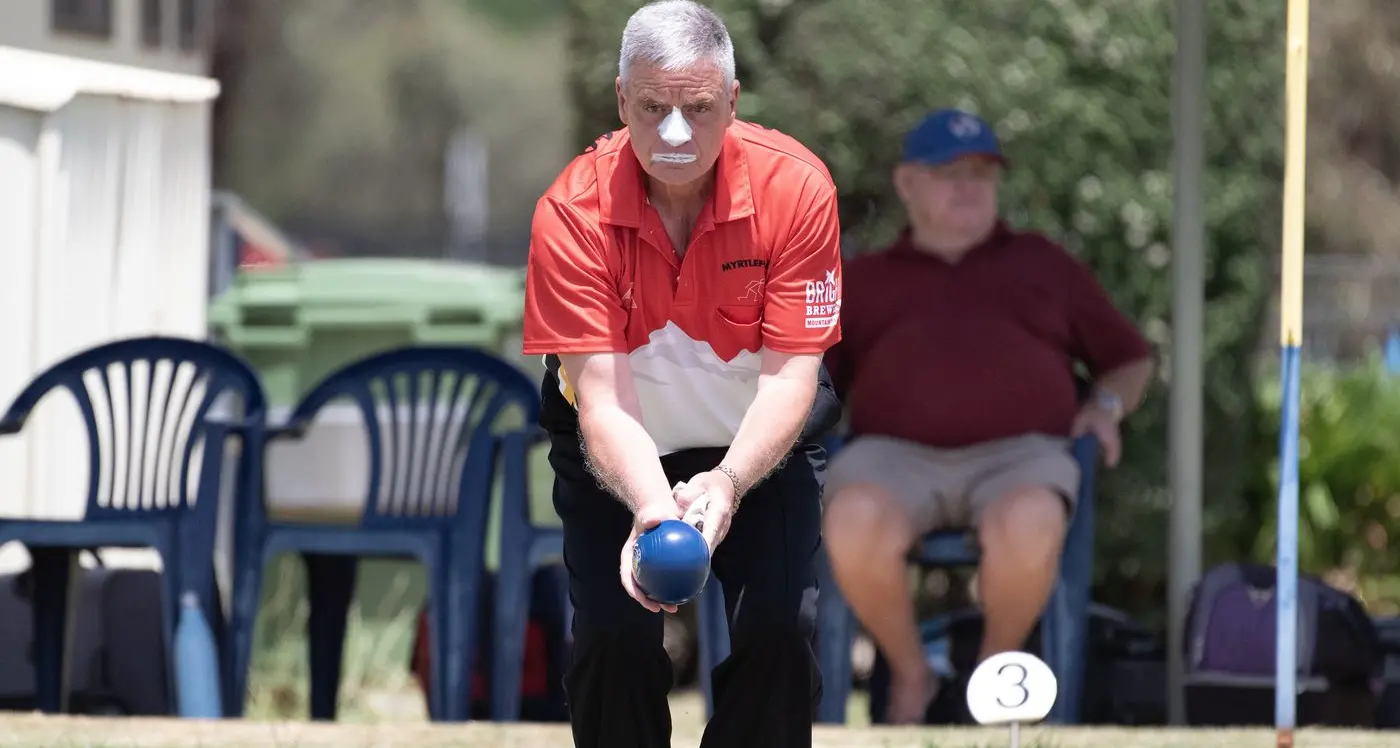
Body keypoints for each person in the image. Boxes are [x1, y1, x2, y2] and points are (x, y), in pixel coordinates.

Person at [521, 2, 843, 746]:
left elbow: (793, 378)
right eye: (652, 108)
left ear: (731, 102)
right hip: (624, 449)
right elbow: (600, 401)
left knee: (781, 633)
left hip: (756, 443)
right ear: (620, 99)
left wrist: (727, 484)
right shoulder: (571, 212)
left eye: (697, 110)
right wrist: (652, 507)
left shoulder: (796, 191)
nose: (674, 134)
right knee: (611, 641)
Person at [820, 108, 1155, 725]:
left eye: (981, 172)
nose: (968, 186)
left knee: (1031, 520)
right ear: (906, 184)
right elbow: (811, 385)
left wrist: (1105, 408)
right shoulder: (862, 279)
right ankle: (911, 678)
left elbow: (1128, 359)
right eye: (949, 172)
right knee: (850, 519)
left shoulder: (1043, 263)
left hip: (1022, 457)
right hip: (892, 459)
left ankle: (995, 683)